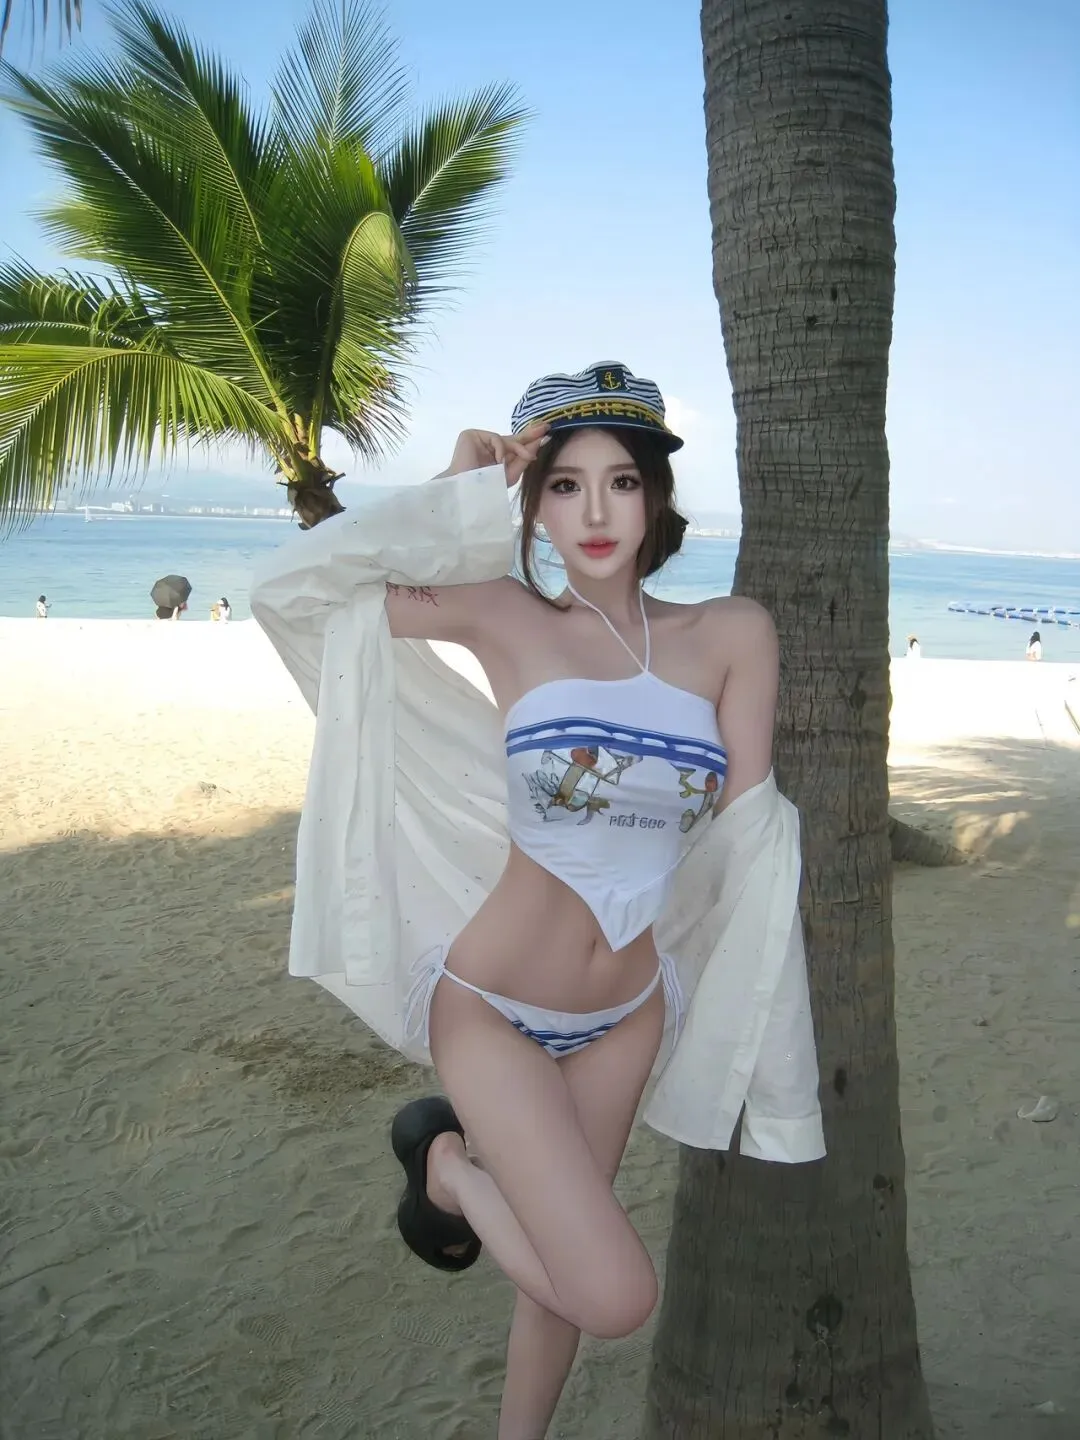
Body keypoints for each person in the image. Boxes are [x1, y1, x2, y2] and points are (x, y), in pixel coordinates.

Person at [250, 362, 824, 1439]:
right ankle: (448, 1165)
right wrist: (454, 488)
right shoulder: (505, 617)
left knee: (554, 1274)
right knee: (612, 1295)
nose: (595, 513)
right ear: (533, 505)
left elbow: (745, 841)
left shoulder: (733, 634)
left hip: (628, 1012)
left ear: (656, 497)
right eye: (563, 485)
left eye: (621, 482)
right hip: (493, 1004)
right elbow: (296, 592)